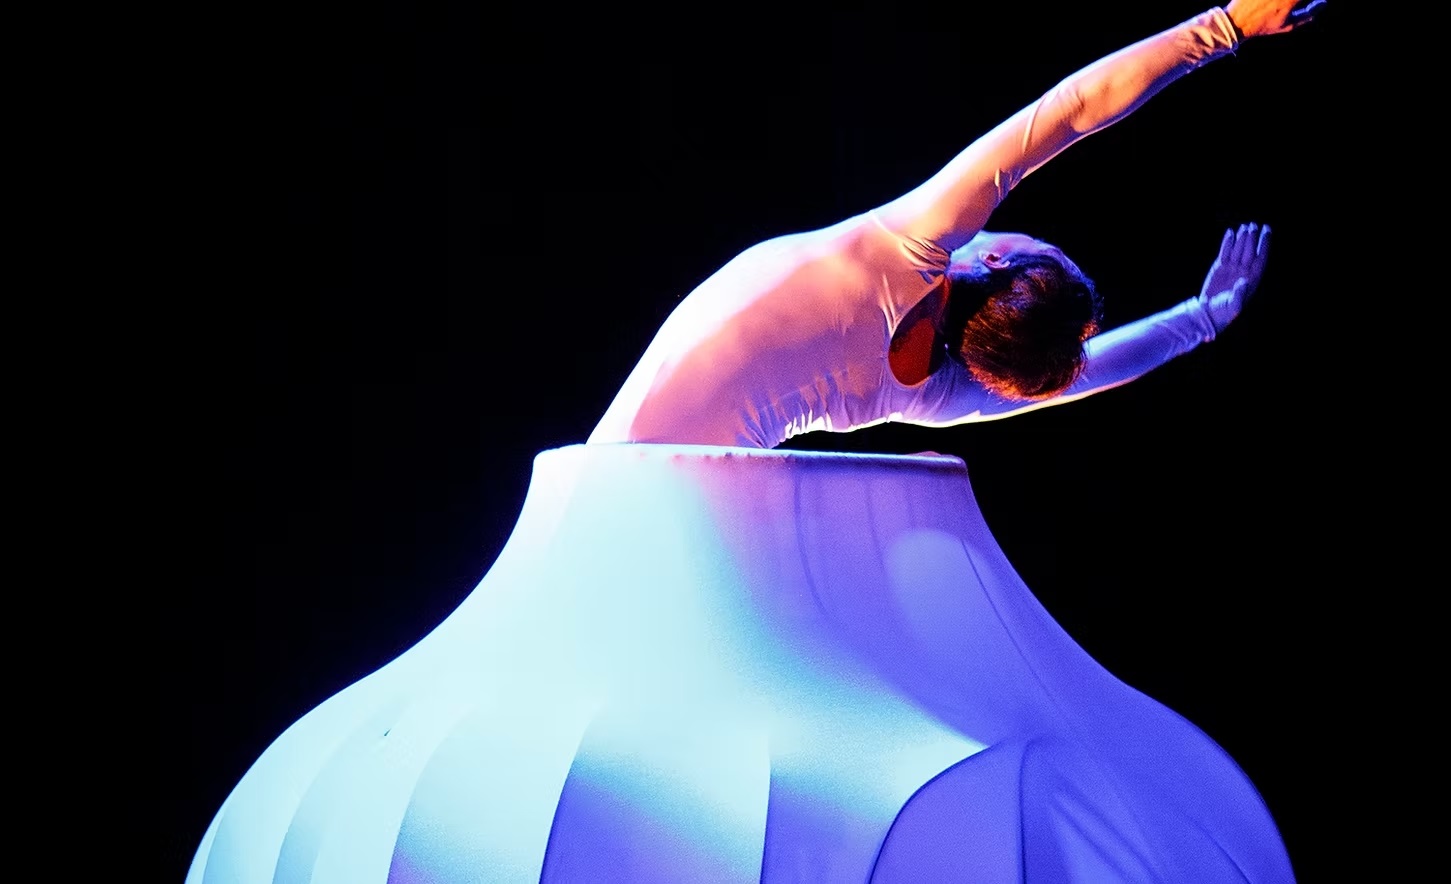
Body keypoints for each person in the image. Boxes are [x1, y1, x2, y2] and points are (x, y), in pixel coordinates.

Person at [588, 0, 1323, 451]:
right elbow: (1080, 379)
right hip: (683, 492)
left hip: (626, 473)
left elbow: (1070, 111)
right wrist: (1201, 319)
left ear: (999, 260)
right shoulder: (925, 396)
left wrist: (1225, 25)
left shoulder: (909, 246)